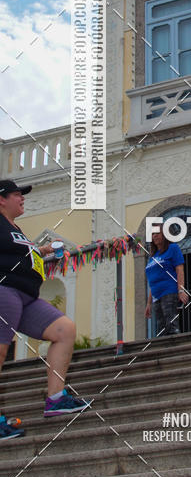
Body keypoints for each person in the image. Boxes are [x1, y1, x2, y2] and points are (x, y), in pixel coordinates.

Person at [0, 179, 90, 440]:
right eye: (17, 194)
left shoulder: (14, 228)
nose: (22, 198)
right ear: (1, 199)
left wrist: (43, 250)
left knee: (64, 329)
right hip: (4, 291)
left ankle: (56, 399)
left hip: (27, 296)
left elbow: (20, 255)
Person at [144, 226, 188, 336]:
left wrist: (181, 290)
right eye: (153, 234)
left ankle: (176, 349)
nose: (155, 236)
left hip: (169, 291)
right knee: (161, 329)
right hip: (156, 296)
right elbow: (152, 281)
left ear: (165, 235)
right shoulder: (153, 257)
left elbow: (180, 270)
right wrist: (148, 303)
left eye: (158, 233)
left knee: (171, 324)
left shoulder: (173, 248)